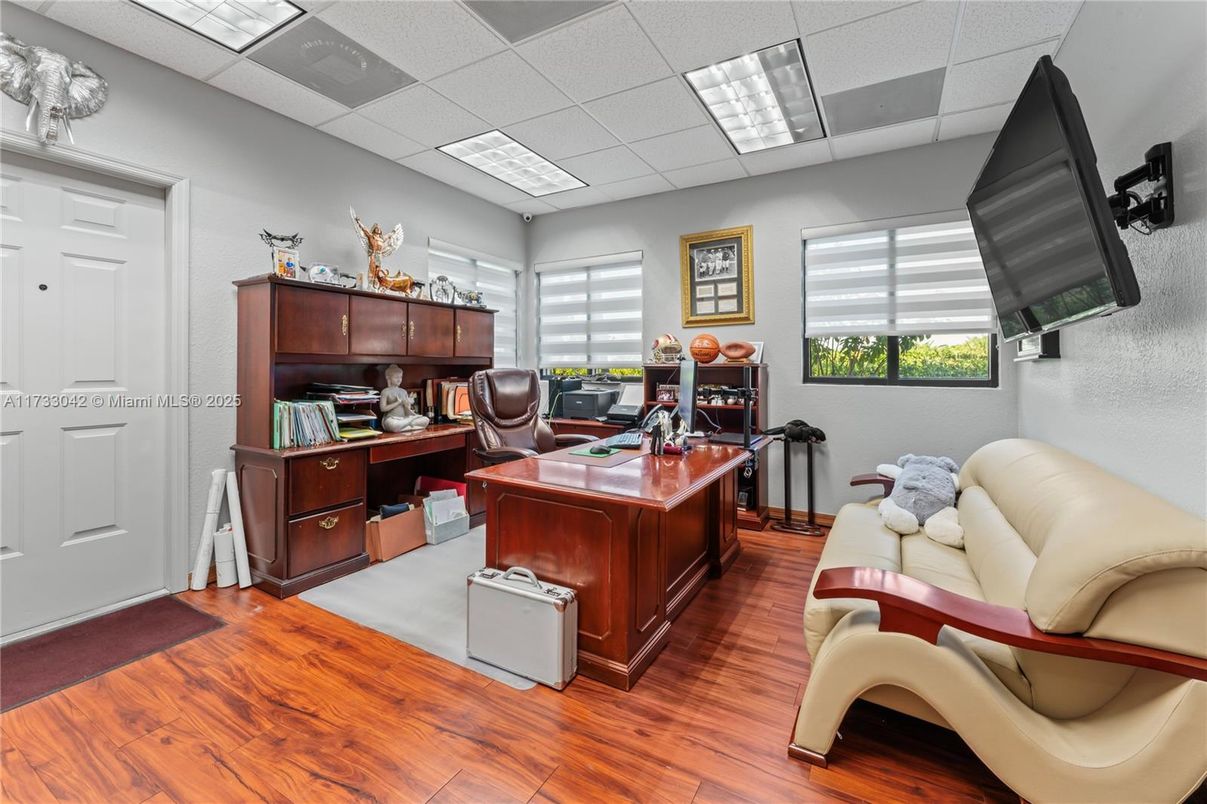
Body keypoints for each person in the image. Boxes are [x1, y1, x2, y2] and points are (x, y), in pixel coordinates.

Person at [379, 364, 429, 433]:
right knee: (393, 425)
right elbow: (383, 409)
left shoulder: (403, 391)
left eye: (400, 377)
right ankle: (409, 425)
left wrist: (407, 404)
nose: (399, 379)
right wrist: (397, 403)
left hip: (404, 418)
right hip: (392, 418)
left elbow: (407, 410)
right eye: (396, 377)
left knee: (426, 419)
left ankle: (405, 425)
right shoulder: (385, 392)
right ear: (388, 378)